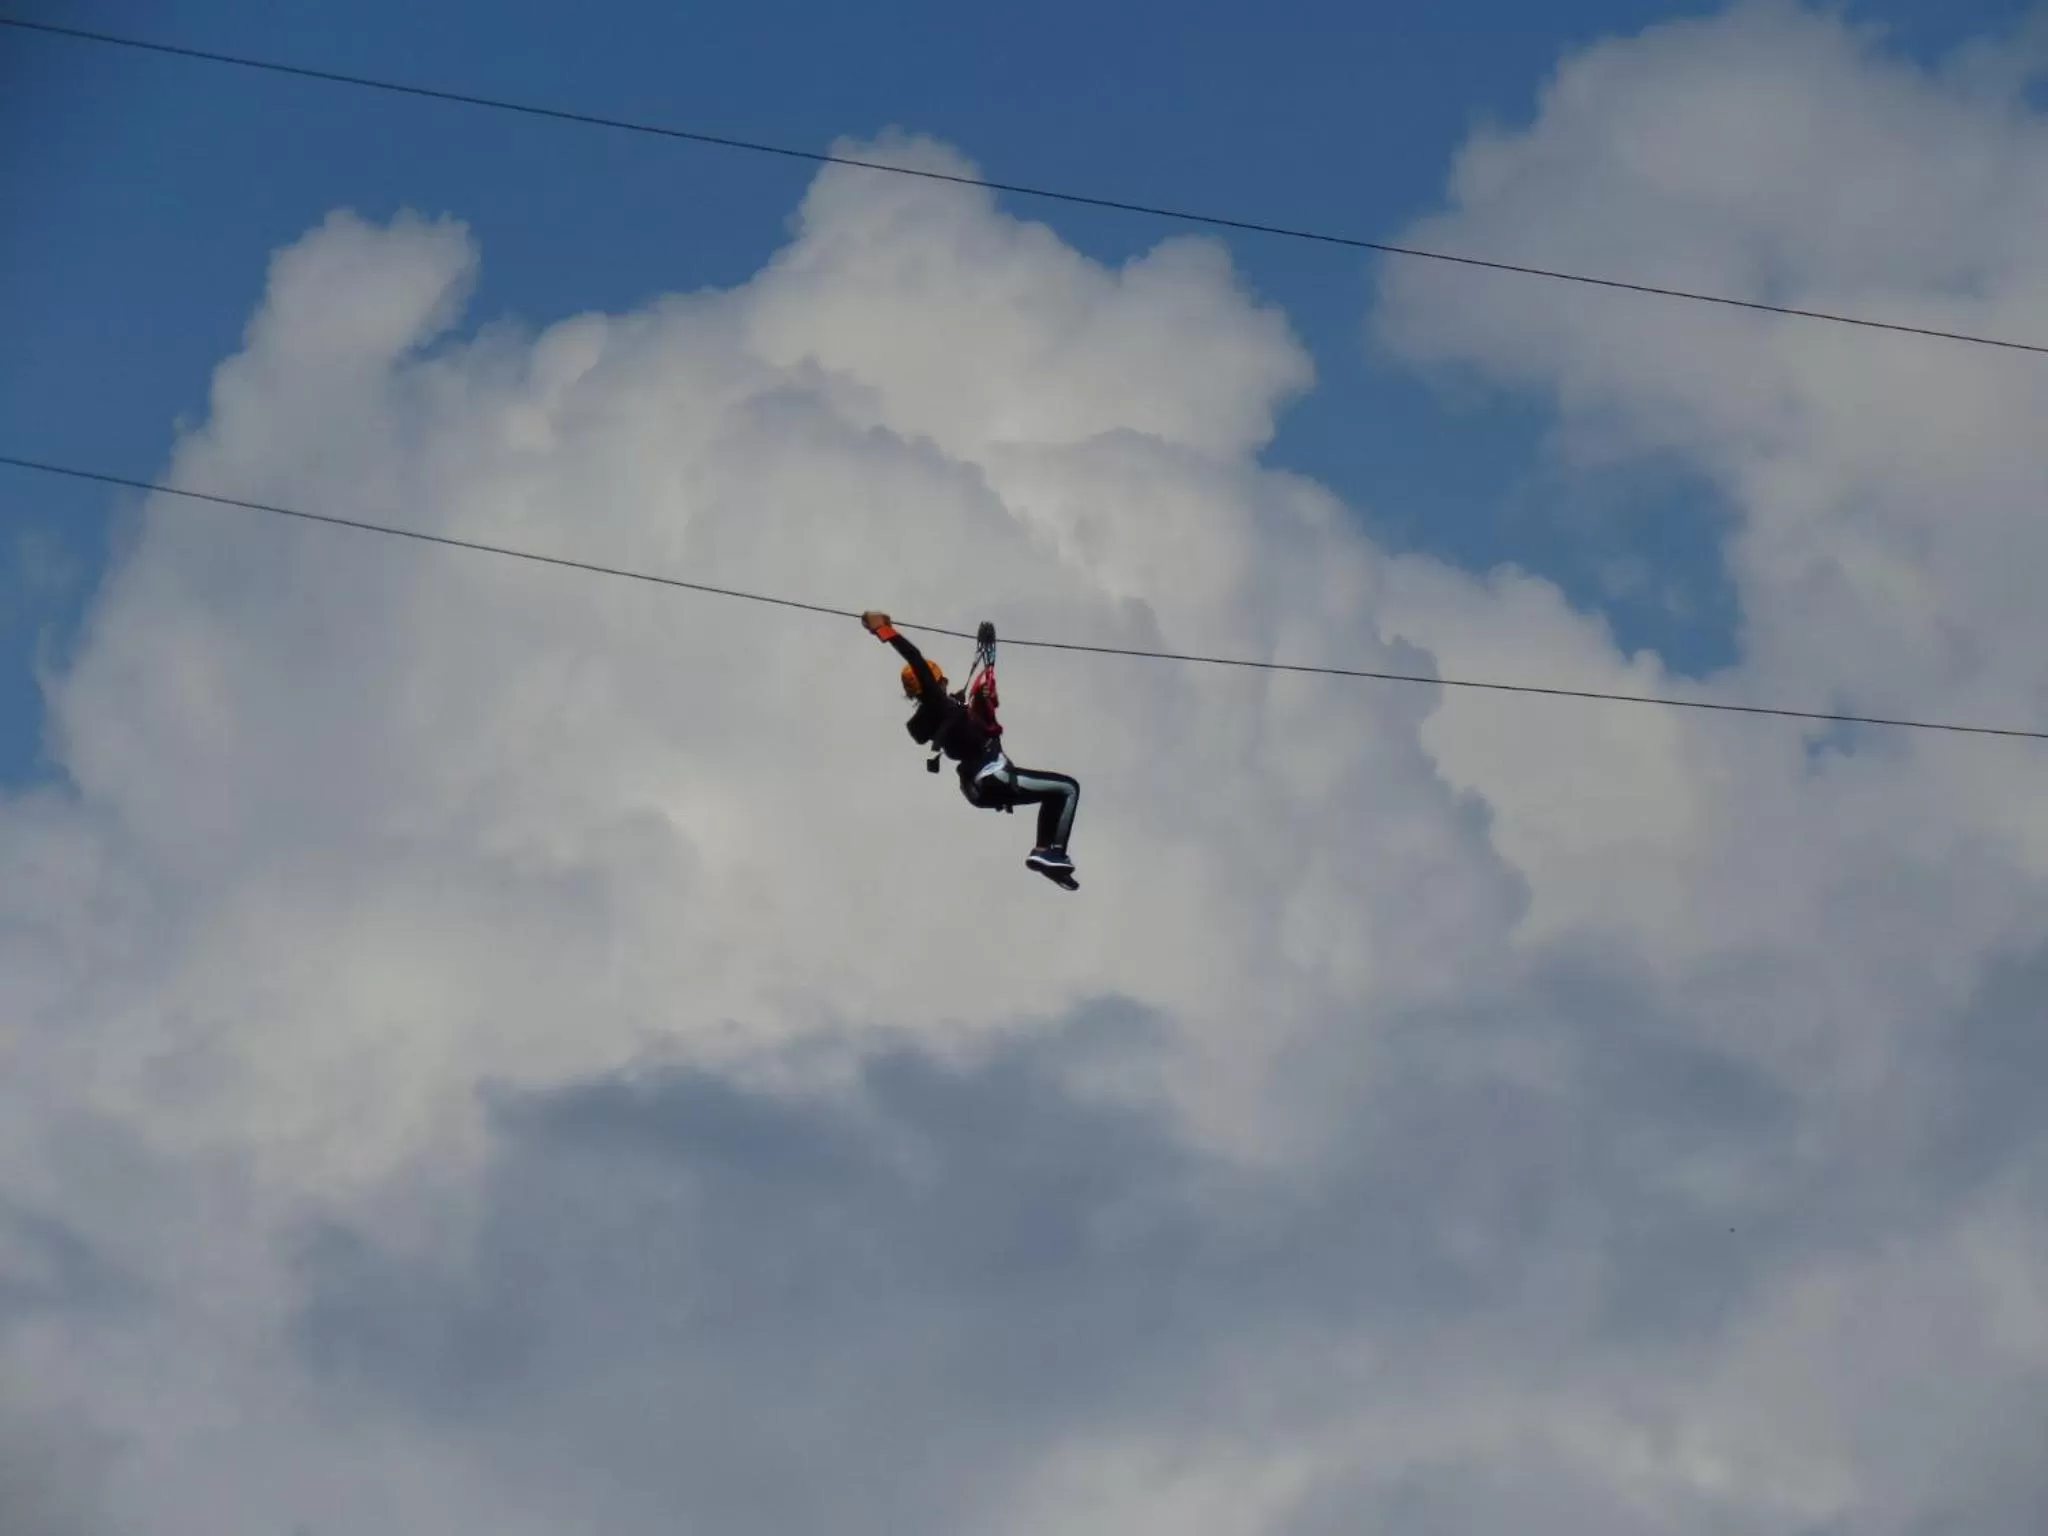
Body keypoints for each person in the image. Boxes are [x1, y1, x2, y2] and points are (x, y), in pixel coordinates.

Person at [861, 610, 1080, 889]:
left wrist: (977, 702)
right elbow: (914, 658)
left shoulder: (937, 716)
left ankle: (1045, 854)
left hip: (979, 789)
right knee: (1068, 789)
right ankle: (1054, 853)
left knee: (1052, 795)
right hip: (994, 777)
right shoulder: (940, 706)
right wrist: (882, 629)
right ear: (936, 682)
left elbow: (967, 723)